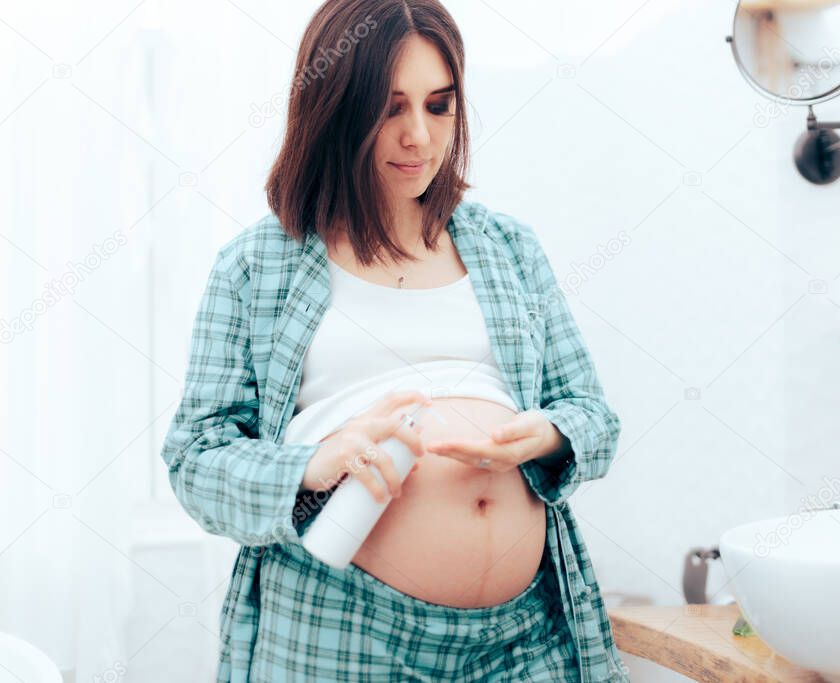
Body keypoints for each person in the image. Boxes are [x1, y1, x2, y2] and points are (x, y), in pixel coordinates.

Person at [160, 1, 628, 680]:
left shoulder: (508, 248)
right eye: (389, 107)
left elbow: (594, 417)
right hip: (342, 627)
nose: (419, 137)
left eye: (439, 106)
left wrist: (547, 435)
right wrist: (311, 465)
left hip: (524, 634)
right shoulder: (256, 267)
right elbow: (194, 460)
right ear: (335, 107)